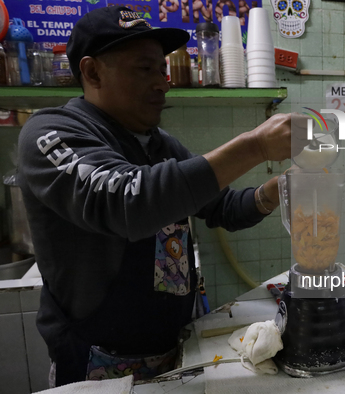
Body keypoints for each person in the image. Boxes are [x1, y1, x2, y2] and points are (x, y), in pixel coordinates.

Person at [17, 6, 306, 387]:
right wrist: (255, 146)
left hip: (172, 344)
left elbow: (224, 207)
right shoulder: (52, 132)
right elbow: (127, 203)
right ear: (92, 72)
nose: (162, 83)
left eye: (162, 69)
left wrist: (277, 189)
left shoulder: (159, 144)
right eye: (144, 69)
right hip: (96, 357)